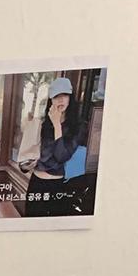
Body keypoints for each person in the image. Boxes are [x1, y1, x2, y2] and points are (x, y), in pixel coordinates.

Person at [24, 75, 90, 217]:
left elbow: (61, 156)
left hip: (58, 186)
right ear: (51, 100)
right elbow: (29, 157)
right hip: (36, 183)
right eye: (56, 96)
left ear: (70, 98)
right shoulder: (42, 124)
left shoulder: (78, 126)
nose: (60, 100)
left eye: (64, 95)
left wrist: (57, 125)